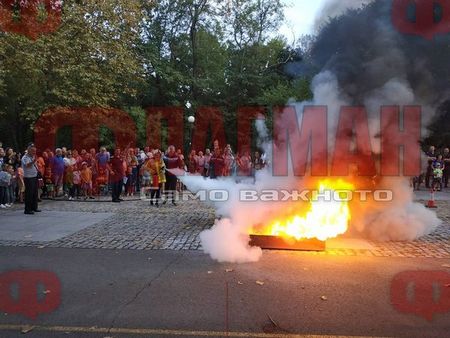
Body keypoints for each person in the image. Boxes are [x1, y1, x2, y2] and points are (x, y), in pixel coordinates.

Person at [21, 143, 41, 215]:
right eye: (33, 151)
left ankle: (34, 207)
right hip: (28, 177)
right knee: (29, 193)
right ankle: (27, 209)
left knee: (35, 193)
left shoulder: (33, 157)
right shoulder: (25, 157)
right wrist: (33, 161)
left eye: (35, 151)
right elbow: (27, 165)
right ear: (28, 150)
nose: (34, 152)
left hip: (34, 176)